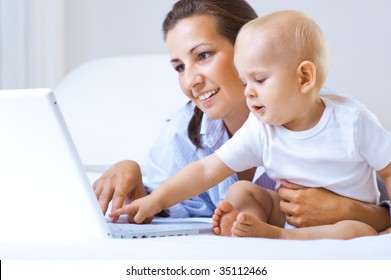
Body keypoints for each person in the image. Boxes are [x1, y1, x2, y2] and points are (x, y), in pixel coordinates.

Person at [94, 0, 390, 231]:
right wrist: (136, 181)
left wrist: (353, 212)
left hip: (341, 227)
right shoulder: (186, 132)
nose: (190, 81)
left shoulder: (332, 118)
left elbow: (380, 188)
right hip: (273, 223)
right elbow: (183, 187)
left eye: (203, 55)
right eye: (179, 67)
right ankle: (252, 232)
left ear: (246, 50)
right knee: (240, 191)